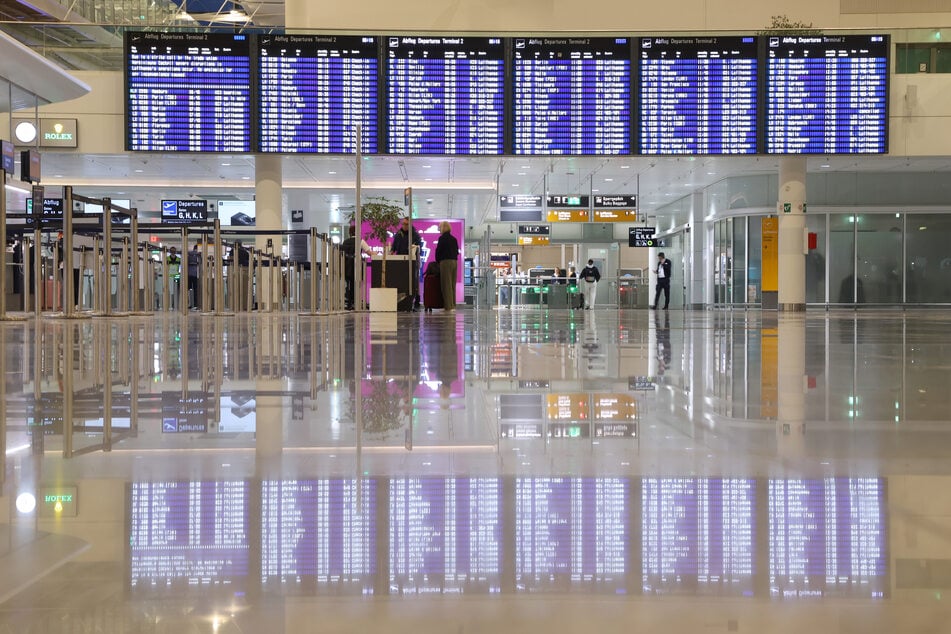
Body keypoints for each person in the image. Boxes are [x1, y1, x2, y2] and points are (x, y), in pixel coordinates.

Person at [390, 217, 422, 310]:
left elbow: (419, 247)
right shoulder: (398, 235)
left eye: (406, 224)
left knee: (413, 282)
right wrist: (391, 252)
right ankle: (401, 301)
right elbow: (394, 247)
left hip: (412, 262)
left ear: (410, 224)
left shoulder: (415, 235)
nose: (404, 226)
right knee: (401, 282)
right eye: (403, 223)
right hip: (400, 262)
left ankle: (415, 301)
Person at [342, 225, 372, 310]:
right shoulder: (360, 241)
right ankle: (355, 302)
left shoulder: (345, 242)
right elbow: (369, 252)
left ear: (350, 233)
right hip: (357, 265)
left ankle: (349, 302)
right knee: (356, 284)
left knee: (349, 284)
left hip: (347, 266)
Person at [435, 221, 459, 311]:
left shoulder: (442, 238)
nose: (439, 229)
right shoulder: (454, 239)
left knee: (446, 284)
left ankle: (448, 306)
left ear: (443, 228)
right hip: (454, 262)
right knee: (452, 284)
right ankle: (453, 304)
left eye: (439, 227)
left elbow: (438, 251)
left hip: (445, 262)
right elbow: (457, 252)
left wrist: (438, 261)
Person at [187, 243, 202, 309]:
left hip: (189, 274)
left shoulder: (189, 254)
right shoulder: (199, 255)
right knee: (196, 290)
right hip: (197, 275)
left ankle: (189, 304)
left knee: (189, 289)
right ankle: (195, 304)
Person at [167, 246, 181, 310]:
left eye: (174, 251)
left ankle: (175, 304)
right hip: (169, 276)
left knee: (176, 291)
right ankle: (170, 304)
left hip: (176, 276)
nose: (173, 252)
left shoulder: (178, 259)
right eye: (172, 251)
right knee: (170, 291)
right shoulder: (167, 258)